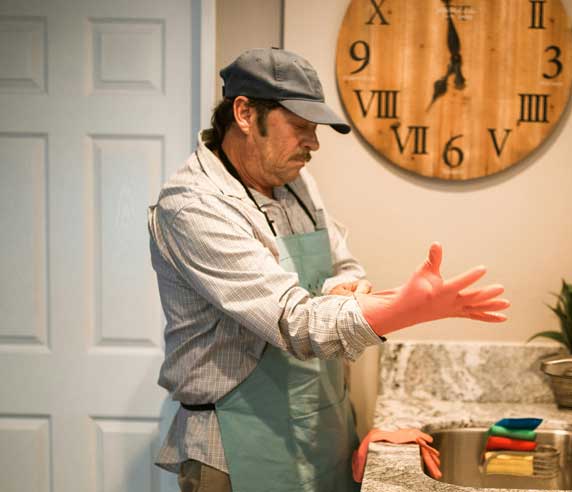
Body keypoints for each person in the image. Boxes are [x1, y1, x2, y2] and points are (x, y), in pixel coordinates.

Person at [148, 48, 509, 492]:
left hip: (319, 430)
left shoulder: (295, 182)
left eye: (314, 130)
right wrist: (401, 309)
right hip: (235, 450)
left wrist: (348, 291)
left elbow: (343, 265)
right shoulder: (194, 206)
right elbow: (291, 321)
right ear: (244, 113)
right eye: (300, 127)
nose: (314, 144)